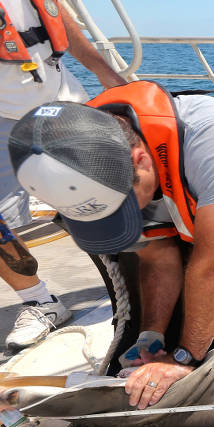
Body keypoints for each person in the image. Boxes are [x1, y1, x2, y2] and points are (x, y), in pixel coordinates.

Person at [8, 80, 214, 408]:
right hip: (194, 224)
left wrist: (183, 358)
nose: (131, 216)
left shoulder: (213, 138)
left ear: (141, 160)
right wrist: (152, 334)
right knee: (161, 357)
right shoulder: (81, 148)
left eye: (123, 208)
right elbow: (157, 254)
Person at [0, 0, 125, 350]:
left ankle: (142, 277)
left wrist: (104, 73)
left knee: (112, 188)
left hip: (60, 95)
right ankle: (40, 302)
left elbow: (59, 18)